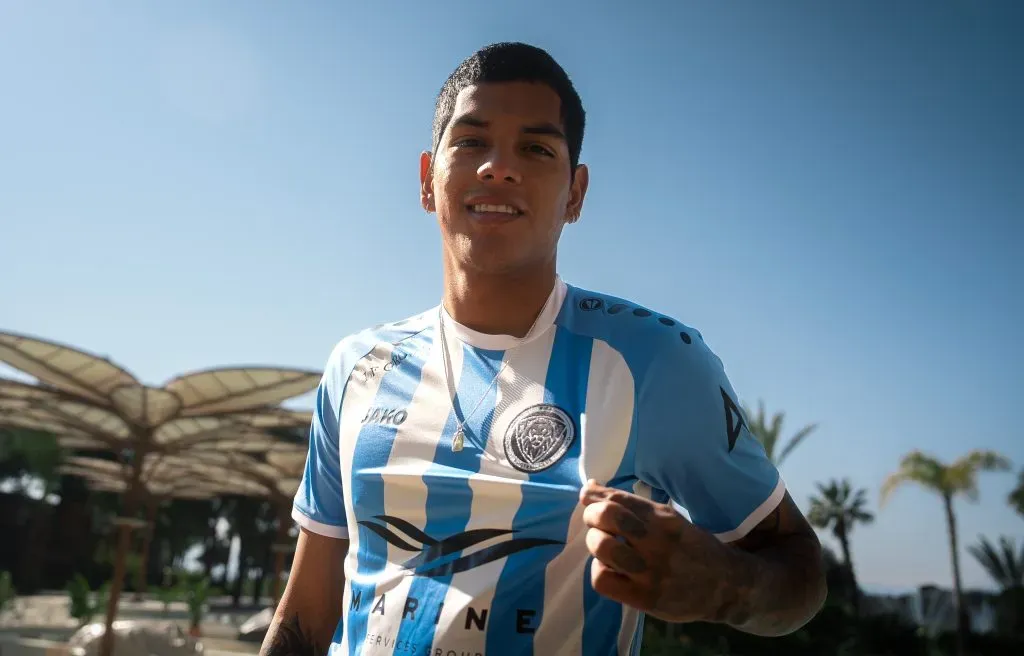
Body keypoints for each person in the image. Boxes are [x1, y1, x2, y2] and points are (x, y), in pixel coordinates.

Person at [263, 41, 826, 656]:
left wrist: (726, 587)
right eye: (471, 141)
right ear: (427, 179)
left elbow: (800, 573)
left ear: (575, 194)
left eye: (535, 149)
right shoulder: (358, 368)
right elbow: (306, 611)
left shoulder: (654, 362)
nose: (498, 168)